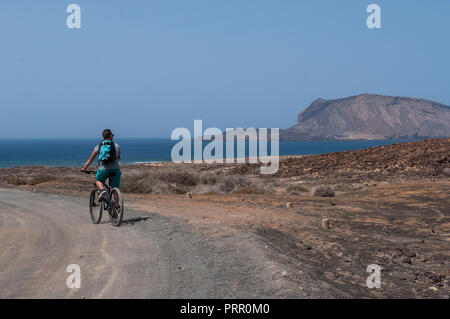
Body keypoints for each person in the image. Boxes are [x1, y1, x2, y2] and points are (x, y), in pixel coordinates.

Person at [82, 129, 121, 199]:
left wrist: (84, 168)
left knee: (98, 180)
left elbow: (90, 160)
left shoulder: (99, 146)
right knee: (114, 189)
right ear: (110, 136)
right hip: (116, 170)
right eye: (112, 135)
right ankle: (116, 206)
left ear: (103, 136)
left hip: (104, 169)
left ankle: (102, 191)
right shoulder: (117, 146)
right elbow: (118, 157)